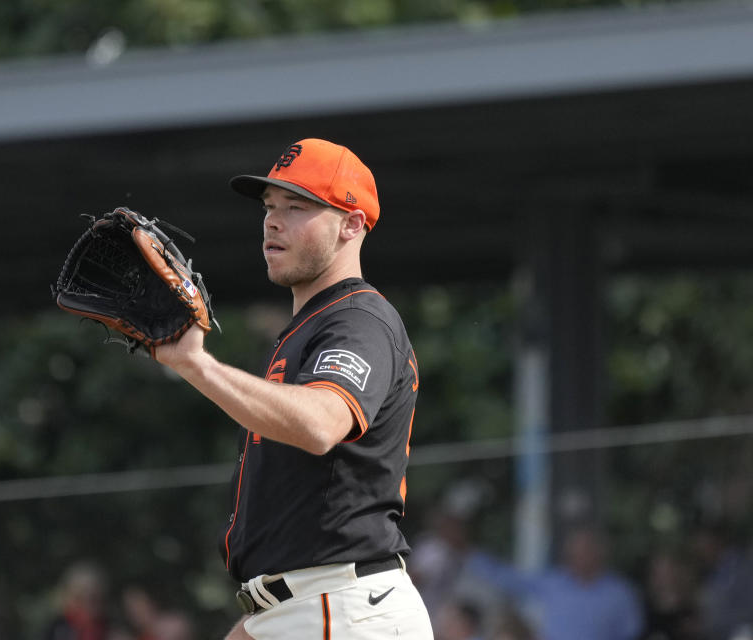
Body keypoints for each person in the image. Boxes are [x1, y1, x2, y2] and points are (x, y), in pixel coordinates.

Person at [153, 138, 433, 639]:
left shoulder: (359, 320)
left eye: (297, 207)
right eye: (269, 207)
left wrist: (195, 364)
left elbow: (321, 423)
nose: (272, 222)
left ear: (352, 224)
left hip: (340, 607)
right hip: (307, 607)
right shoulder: (309, 327)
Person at [463, 525, 643, 640]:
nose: (578, 559)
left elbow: (631, 633)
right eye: (573, 554)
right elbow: (509, 579)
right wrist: (466, 550)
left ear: (599, 554)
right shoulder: (554, 583)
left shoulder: (620, 593)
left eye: (584, 552)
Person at [42, 561, 113, 640]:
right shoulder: (57, 630)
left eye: (95, 596)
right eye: (82, 592)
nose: (89, 596)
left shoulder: (112, 628)